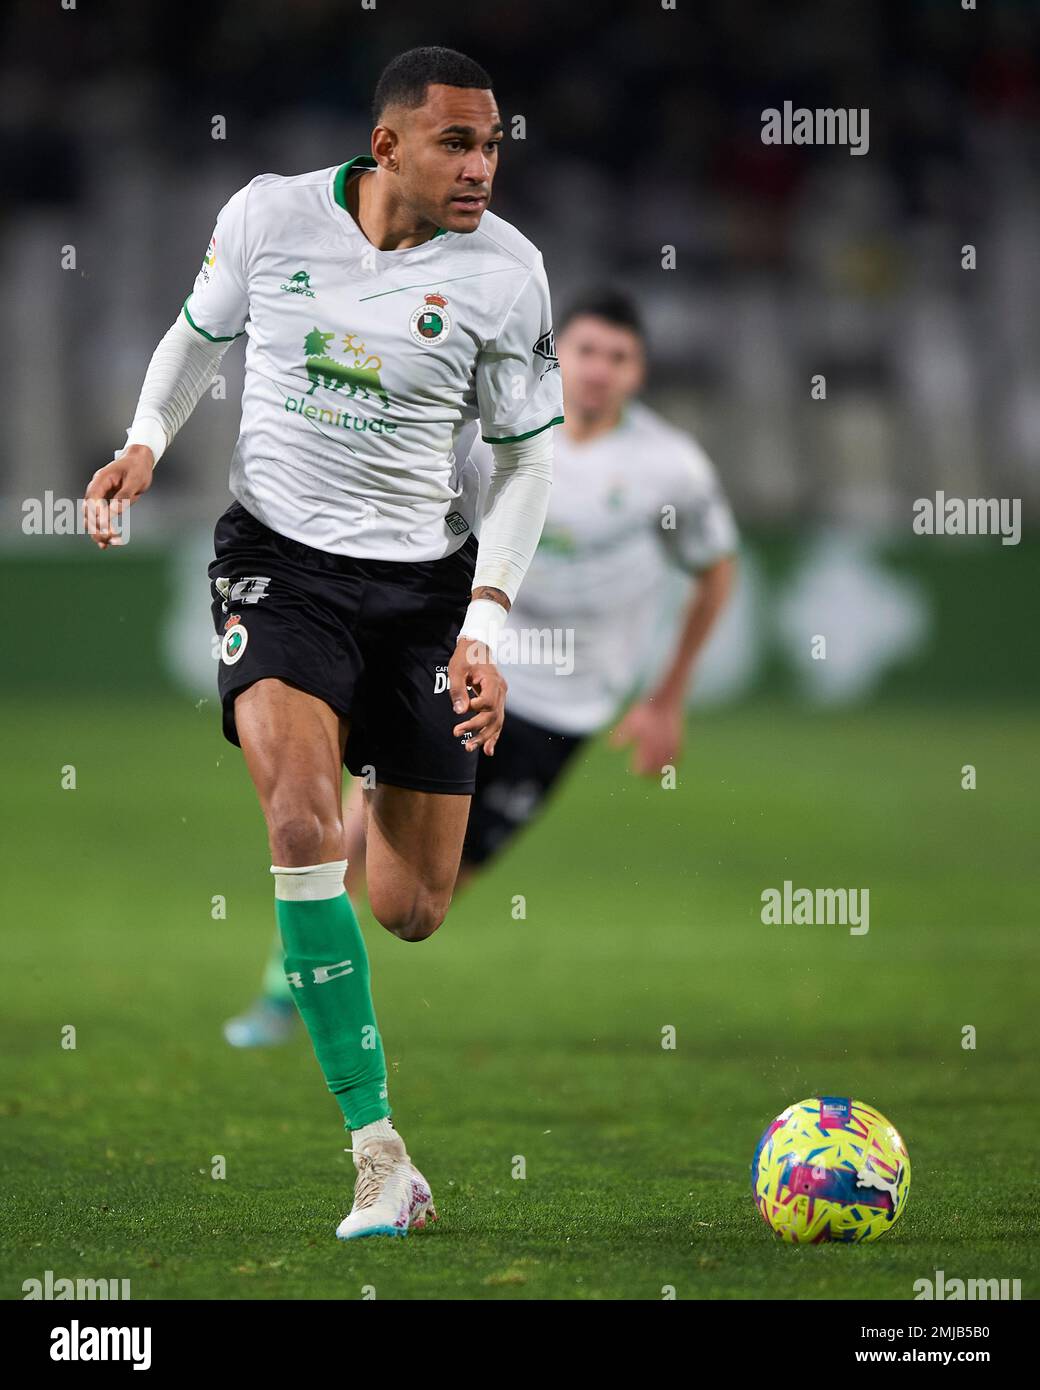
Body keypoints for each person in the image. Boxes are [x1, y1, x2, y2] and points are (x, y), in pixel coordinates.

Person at [83, 46, 563, 1241]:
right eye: (457, 143)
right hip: (278, 563)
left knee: (410, 906)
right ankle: (378, 1152)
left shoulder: (508, 275)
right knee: (296, 819)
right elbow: (198, 335)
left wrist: (484, 622)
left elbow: (523, 460)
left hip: (421, 587)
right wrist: (146, 439)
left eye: (494, 143)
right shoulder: (269, 215)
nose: (481, 167)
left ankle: (342, 858)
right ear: (387, 145)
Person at [229, 288, 737, 1041]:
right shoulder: (496, 432)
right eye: (586, 351)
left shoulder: (673, 469)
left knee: (427, 893)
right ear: (555, 353)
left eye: (618, 358)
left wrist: (666, 699)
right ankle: (289, 988)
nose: (598, 370)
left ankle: (328, 966)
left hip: (566, 704)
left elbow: (714, 569)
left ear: (639, 373)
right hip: (465, 662)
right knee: (354, 826)